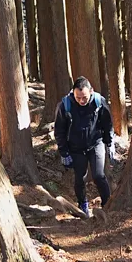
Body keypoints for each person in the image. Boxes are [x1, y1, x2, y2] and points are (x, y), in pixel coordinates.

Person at [53, 76, 112, 217]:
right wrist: (64, 152)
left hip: (95, 144)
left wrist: (109, 143)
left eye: (84, 97)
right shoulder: (65, 105)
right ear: (73, 93)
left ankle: (108, 204)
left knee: (99, 176)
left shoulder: (99, 102)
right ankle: (83, 204)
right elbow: (59, 131)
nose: (81, 101)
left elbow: (107, 124)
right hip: (76, 148)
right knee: (80, 178)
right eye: (78, 97)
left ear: (91, 91)